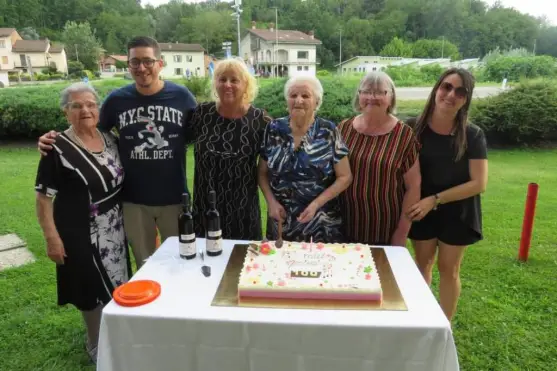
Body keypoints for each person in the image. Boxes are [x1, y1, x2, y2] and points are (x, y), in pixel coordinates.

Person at [38, 36, 197, 269]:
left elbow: (200, 132)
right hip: (133, 201)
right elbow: (88, 130)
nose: (141, 68)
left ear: (160, 63)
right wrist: (55, 139)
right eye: (135, 62)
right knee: (146, 265)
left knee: (182, 261)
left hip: (175, 198)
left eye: (148, 61)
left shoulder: (182, 97)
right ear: (129, 65)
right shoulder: (117, 100)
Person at [35, 82, 131, 364]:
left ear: (98, 110)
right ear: (66, 113)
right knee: (89, 289)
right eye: (76, 106)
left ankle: (116, 332)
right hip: (80, 230)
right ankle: (96, 343)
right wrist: (51, 238)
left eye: (90, 104)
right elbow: (43, 199)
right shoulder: (56, 147)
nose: (85, 110)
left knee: (118, 281)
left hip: (114, 225)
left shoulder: (109, 137)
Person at [407, 68, 488, 322]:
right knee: (422, 266)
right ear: (436, 89)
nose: (451, 95)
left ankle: (444, 329)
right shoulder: (412, 128)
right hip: (421, 209)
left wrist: (436, 199)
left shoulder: (472, 135)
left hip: (457, 210)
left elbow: (479, 183)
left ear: (466, 99)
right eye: (446, 87)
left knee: (449, 270)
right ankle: (421, 323)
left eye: (460, 92)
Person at [258, 76, 353, 243]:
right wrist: (271, 203)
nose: (298, 100)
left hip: (320, 222)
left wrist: (316, 204)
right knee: (277, 267)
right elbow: (262, 174)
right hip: (280, 220)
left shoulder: (328, 131)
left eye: (305, 96)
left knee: (320, 267)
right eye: (293, 95)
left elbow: (345, 177)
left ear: (317, 102)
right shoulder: (273, 129)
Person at [187, 58, 271, 240]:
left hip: (243, 211)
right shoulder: (201, 114)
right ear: (215, 83)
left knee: (243, 263)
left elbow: (273, 163)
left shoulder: (259, 120)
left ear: (246, 84)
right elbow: (178, 143)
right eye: (222, 79)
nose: (227, 85)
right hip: (205, 207)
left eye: (234, 80)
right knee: (206, 263)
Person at [338, 71, 421, 246]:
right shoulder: (343, 128)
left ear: (391, 98)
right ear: (359, 96)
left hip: (384, 228)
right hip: (341, 225)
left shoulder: (404, 135)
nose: (372, 97)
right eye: (366, 91)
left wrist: (401, 232)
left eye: (380, 92)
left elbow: (413, 187)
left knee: (381, 273)